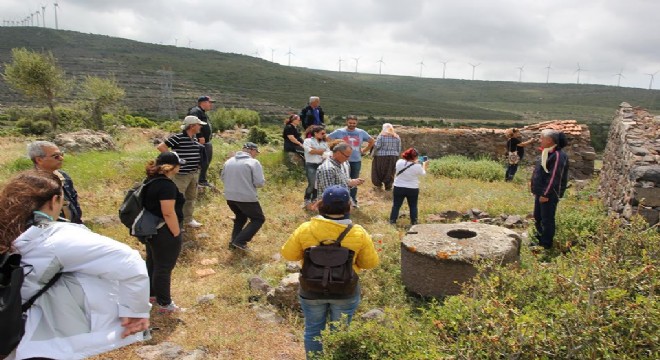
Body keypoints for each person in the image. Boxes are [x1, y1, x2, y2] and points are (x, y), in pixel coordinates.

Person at [0, 170, 150, 360]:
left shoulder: (8, 230)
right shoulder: (54, 238)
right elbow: (128, 260)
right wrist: (135, 312)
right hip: (40, 341)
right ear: (54, 200)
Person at [281, 185, 379, 359]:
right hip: (345, 289)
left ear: (321, 204)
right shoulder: (358, 232)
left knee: (313, 331)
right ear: (349, 206)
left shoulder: (305, 229)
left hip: (311, 289)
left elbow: (288, 254)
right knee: (340, 332)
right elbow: (370, 263)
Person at [142, 152, 186, 313]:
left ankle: (152, 295)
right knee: (164, 267)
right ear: (171, 167)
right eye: (178, 164)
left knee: (153, 262)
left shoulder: (150, 180)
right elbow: (168, 212)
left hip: (151, 229)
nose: (180, 167)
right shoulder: (166, 185)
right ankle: (165, 304)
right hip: (164, 231)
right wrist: (176, 232)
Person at [157, 115, 205, 228]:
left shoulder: (193, 138)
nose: (200, 127)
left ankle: (188, 219)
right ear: (192, 126)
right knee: (178, 199)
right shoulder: (178, 137)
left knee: (191, 197)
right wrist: (173, 160)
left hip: (193, 173)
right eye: (198, 125)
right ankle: (177, 222)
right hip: (181, 175)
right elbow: (161, 147)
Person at [221, 142, 266, 251]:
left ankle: (233, 242)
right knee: (258, 219)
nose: (256, 154)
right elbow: (259, 183)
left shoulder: (229, 161)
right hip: (246, 197)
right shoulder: (253, 162)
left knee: (240, 217)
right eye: (256, 152)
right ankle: (240, 241)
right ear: (251, 150)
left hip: (230, 197)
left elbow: (222, 178)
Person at [530, 129, 569, 250]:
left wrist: (545, 194)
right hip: (541, 192)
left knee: (547, 219)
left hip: (549, 194)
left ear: (549, 140)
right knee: (538, 217)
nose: (540, 140)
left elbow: (554, 177)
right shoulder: (547, 152)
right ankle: (539, 239)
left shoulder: (557, 156)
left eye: (542, 138)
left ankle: (546, 244)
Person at [27, 141, 83, 224]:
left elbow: (74, 202)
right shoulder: (29, 183)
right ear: (39, 160)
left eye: (61, 155)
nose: (61, 158)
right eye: (56, 156)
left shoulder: (63, 176)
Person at [327, 115, 375, 207]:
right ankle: (341, 200)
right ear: (346, 122)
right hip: (342, 161)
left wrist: (364, 150)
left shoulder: (361, 132)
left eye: (354, 123)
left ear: (357, 123)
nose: (352, 125)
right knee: (341, 180)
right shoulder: (339, 132)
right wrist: (333, 150)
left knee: (354, 181)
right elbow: (327, 138)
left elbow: (371, 141)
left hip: (356, 160)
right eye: (350, 123)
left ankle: (353, 201)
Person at [389, 148, 428, 226]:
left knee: (396, 205)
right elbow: (423, 173)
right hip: (412, 188)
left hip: (399, 187)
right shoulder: (417, 166)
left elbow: (406, 165)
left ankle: (392, 221)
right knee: (413, 206)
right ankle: (414, 222)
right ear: (415, 157)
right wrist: (424, 165)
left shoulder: (399, 162)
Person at [188, 95, 215, 187]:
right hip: (200, 141)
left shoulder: (201, 112)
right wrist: (200, 136)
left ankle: (202, 179)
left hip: (206, 142)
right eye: (209, 102)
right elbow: (193, 123)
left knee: (205, 161)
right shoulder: (195, 111)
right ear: (203, 103)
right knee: (203, 161)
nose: (211, 104)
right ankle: (200, 181)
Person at [302, 125, 330, 207]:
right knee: (312, 183)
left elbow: (328, 154)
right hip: (311, 165)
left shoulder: (324, 143)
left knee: (318, 184)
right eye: (322, 133)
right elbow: (310, 151)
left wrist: (316, 150)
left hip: (321, 165)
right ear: (315, 133)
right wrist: (321, 151)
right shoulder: (307, 141)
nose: (324, 135)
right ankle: (307, 199)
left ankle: (314, 198)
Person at [371, 123, 401, 191]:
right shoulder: (397, 137)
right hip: (393, 156)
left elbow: (377, 147)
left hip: (380, 157)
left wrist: (372, 154)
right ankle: (388, 186)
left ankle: (378, 186)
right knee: (390, 171)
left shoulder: (381, 136)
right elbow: (398, 148)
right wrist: (396, 156)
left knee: (378, 171)